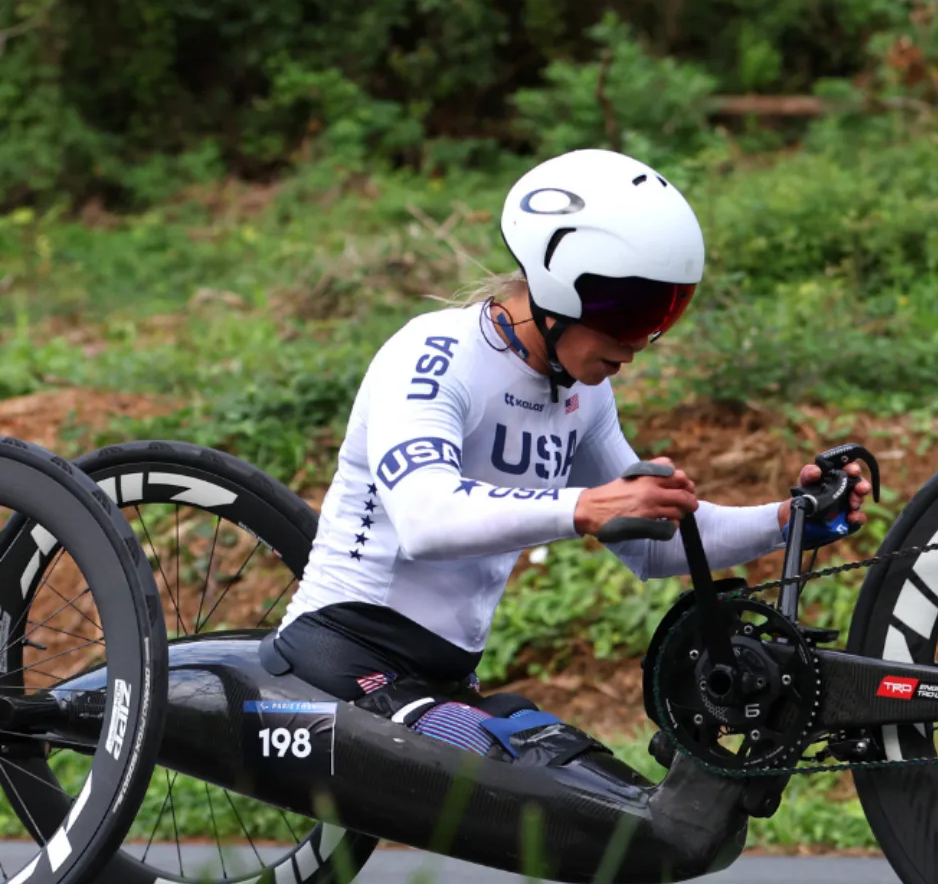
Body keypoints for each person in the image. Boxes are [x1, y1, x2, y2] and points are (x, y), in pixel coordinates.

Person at [269, 147, 870, 764]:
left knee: (604, 787)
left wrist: (787, 519)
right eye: (633, 311)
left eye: (665, 313)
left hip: (443, 678)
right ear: (560, 285)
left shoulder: (583, 393)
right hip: (344, 657)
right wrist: (586, 507)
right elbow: (425, 517)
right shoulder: (434, 354)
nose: (640, 342)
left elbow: (650, 545)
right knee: (549, 790)